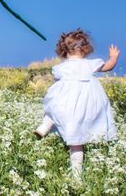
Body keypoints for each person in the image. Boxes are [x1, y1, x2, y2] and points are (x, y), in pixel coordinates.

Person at [34, 29, 119, 178]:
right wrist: (113, 57)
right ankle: (76, 175)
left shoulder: (60, 67)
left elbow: (57, 84)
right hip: (86, 105)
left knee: (54, 107)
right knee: (77, 140)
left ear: (63, 51)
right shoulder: (91, 64)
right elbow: (108, 67)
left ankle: (45, 125)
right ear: (85, 49)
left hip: (66, 102)